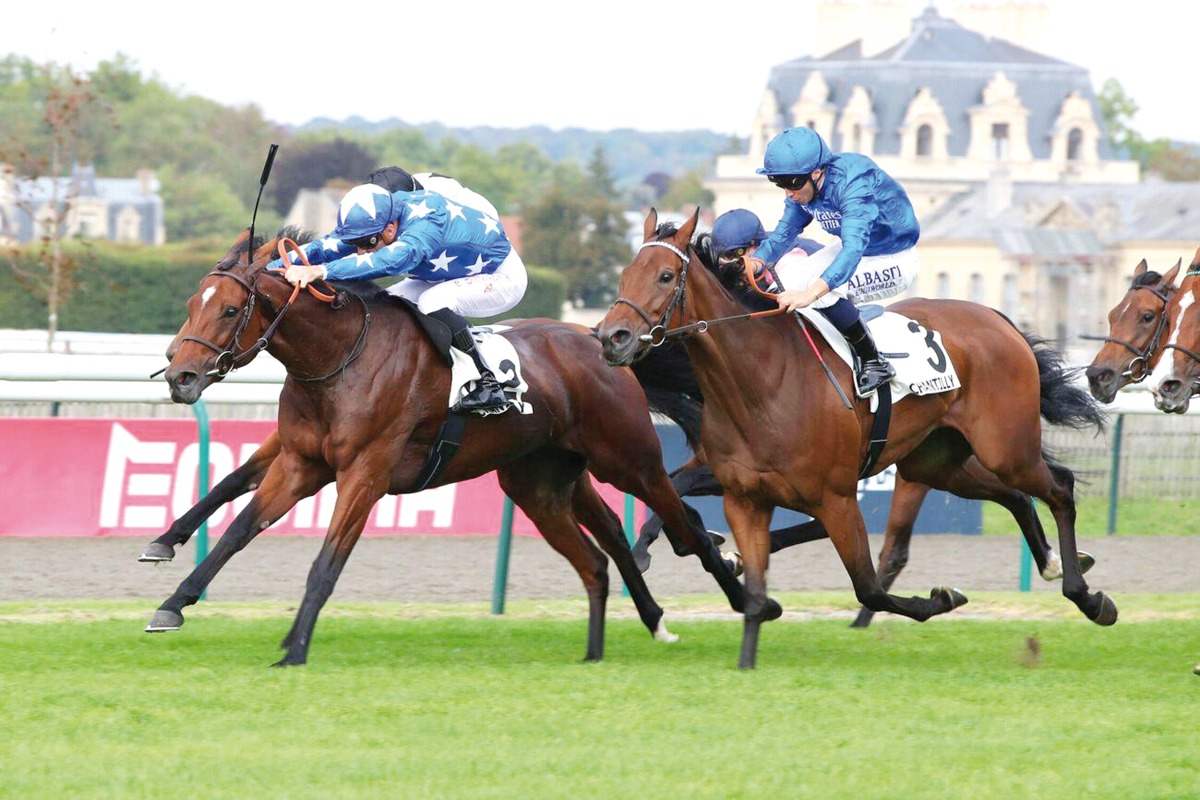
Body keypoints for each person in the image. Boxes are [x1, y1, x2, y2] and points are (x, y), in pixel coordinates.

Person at [271, 176, 528, 414]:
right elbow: (325, 246)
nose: (361, 251)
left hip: (501, 276)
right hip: (447, 273)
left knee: (432, 302)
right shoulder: (376, 221)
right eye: (356, 244)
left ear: (390, 229)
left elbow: (387, 261)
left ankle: (487, 382)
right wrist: (268, 269)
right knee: (387, 303)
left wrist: (319, 271)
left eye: (367, 243)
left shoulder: (425, 223)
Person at [750, 126, 920, 397]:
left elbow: (853, 250)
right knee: (785, 284)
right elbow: (784, 233)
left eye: (792, 183)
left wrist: (810, 293)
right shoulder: (802, 187)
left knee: (824, 294)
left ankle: (874, 362)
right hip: (855, 249)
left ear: (817, 172)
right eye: (780, 183)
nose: (788, 193)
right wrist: (755, 262)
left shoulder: (853, 183)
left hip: (893, 257)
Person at [710, 207, 822, 273]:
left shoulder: (789, 262)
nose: (732, 262)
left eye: (738, 253)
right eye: (726, 256)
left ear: (756, 245)